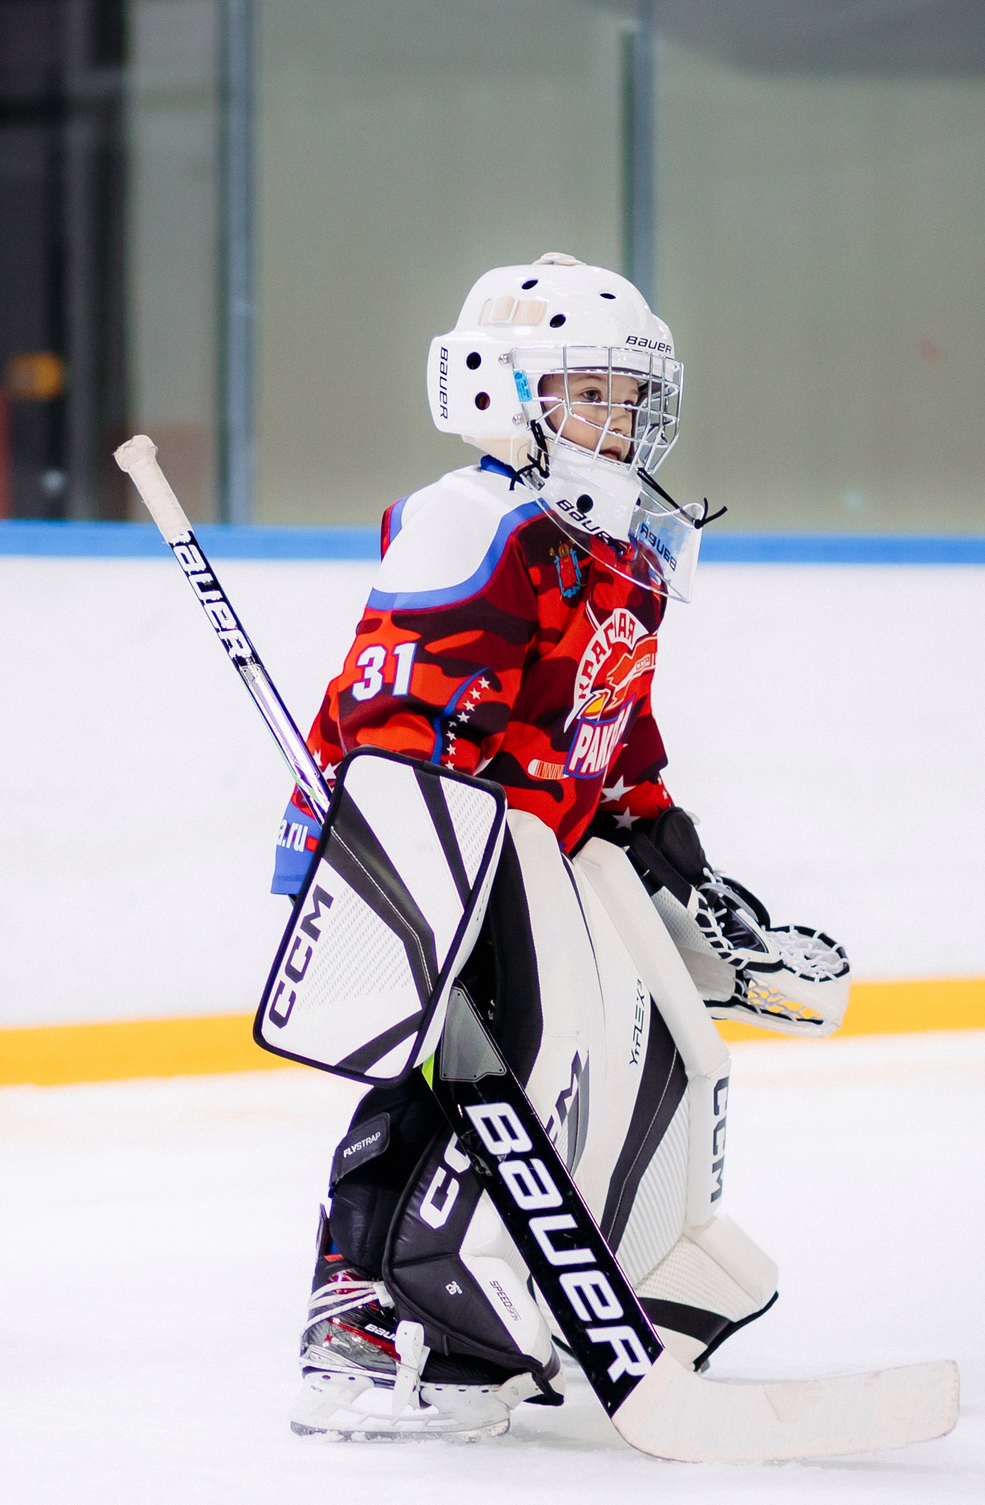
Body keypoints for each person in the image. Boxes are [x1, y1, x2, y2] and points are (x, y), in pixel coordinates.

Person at [277, 254, 848, 1441]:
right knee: (455, 1066)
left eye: (630, 397)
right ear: (496, 389)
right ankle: (364, 1305)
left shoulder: (623, 544)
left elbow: (611, 724)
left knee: (635, 1050)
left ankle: (618, 1265)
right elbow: (400, 720)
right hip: (426, 852)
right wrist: (545, 798)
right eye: (588, 393)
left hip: (537, 845)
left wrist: (665, 841)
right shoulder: (471, 522)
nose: (617, 420)